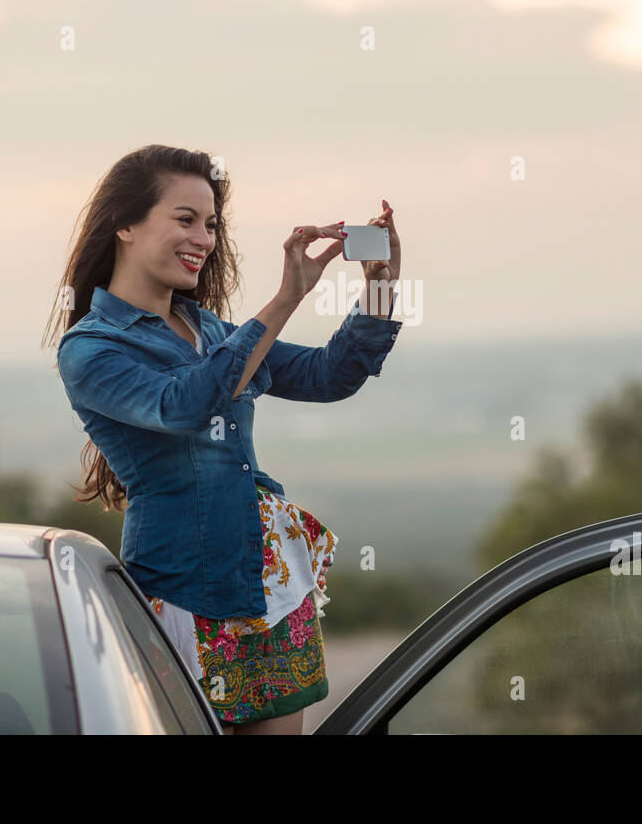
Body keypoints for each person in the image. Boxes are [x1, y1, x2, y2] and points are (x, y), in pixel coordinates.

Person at [43, 144, 403, 734]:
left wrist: (382, 288)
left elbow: (328, 376)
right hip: (178, 595)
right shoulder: (90, 348)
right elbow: (182, 404)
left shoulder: (209, 327)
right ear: (124, 225)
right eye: (184, 219)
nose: (205, 239)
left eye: (210, 224)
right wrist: (286, 298)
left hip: (268, 588)